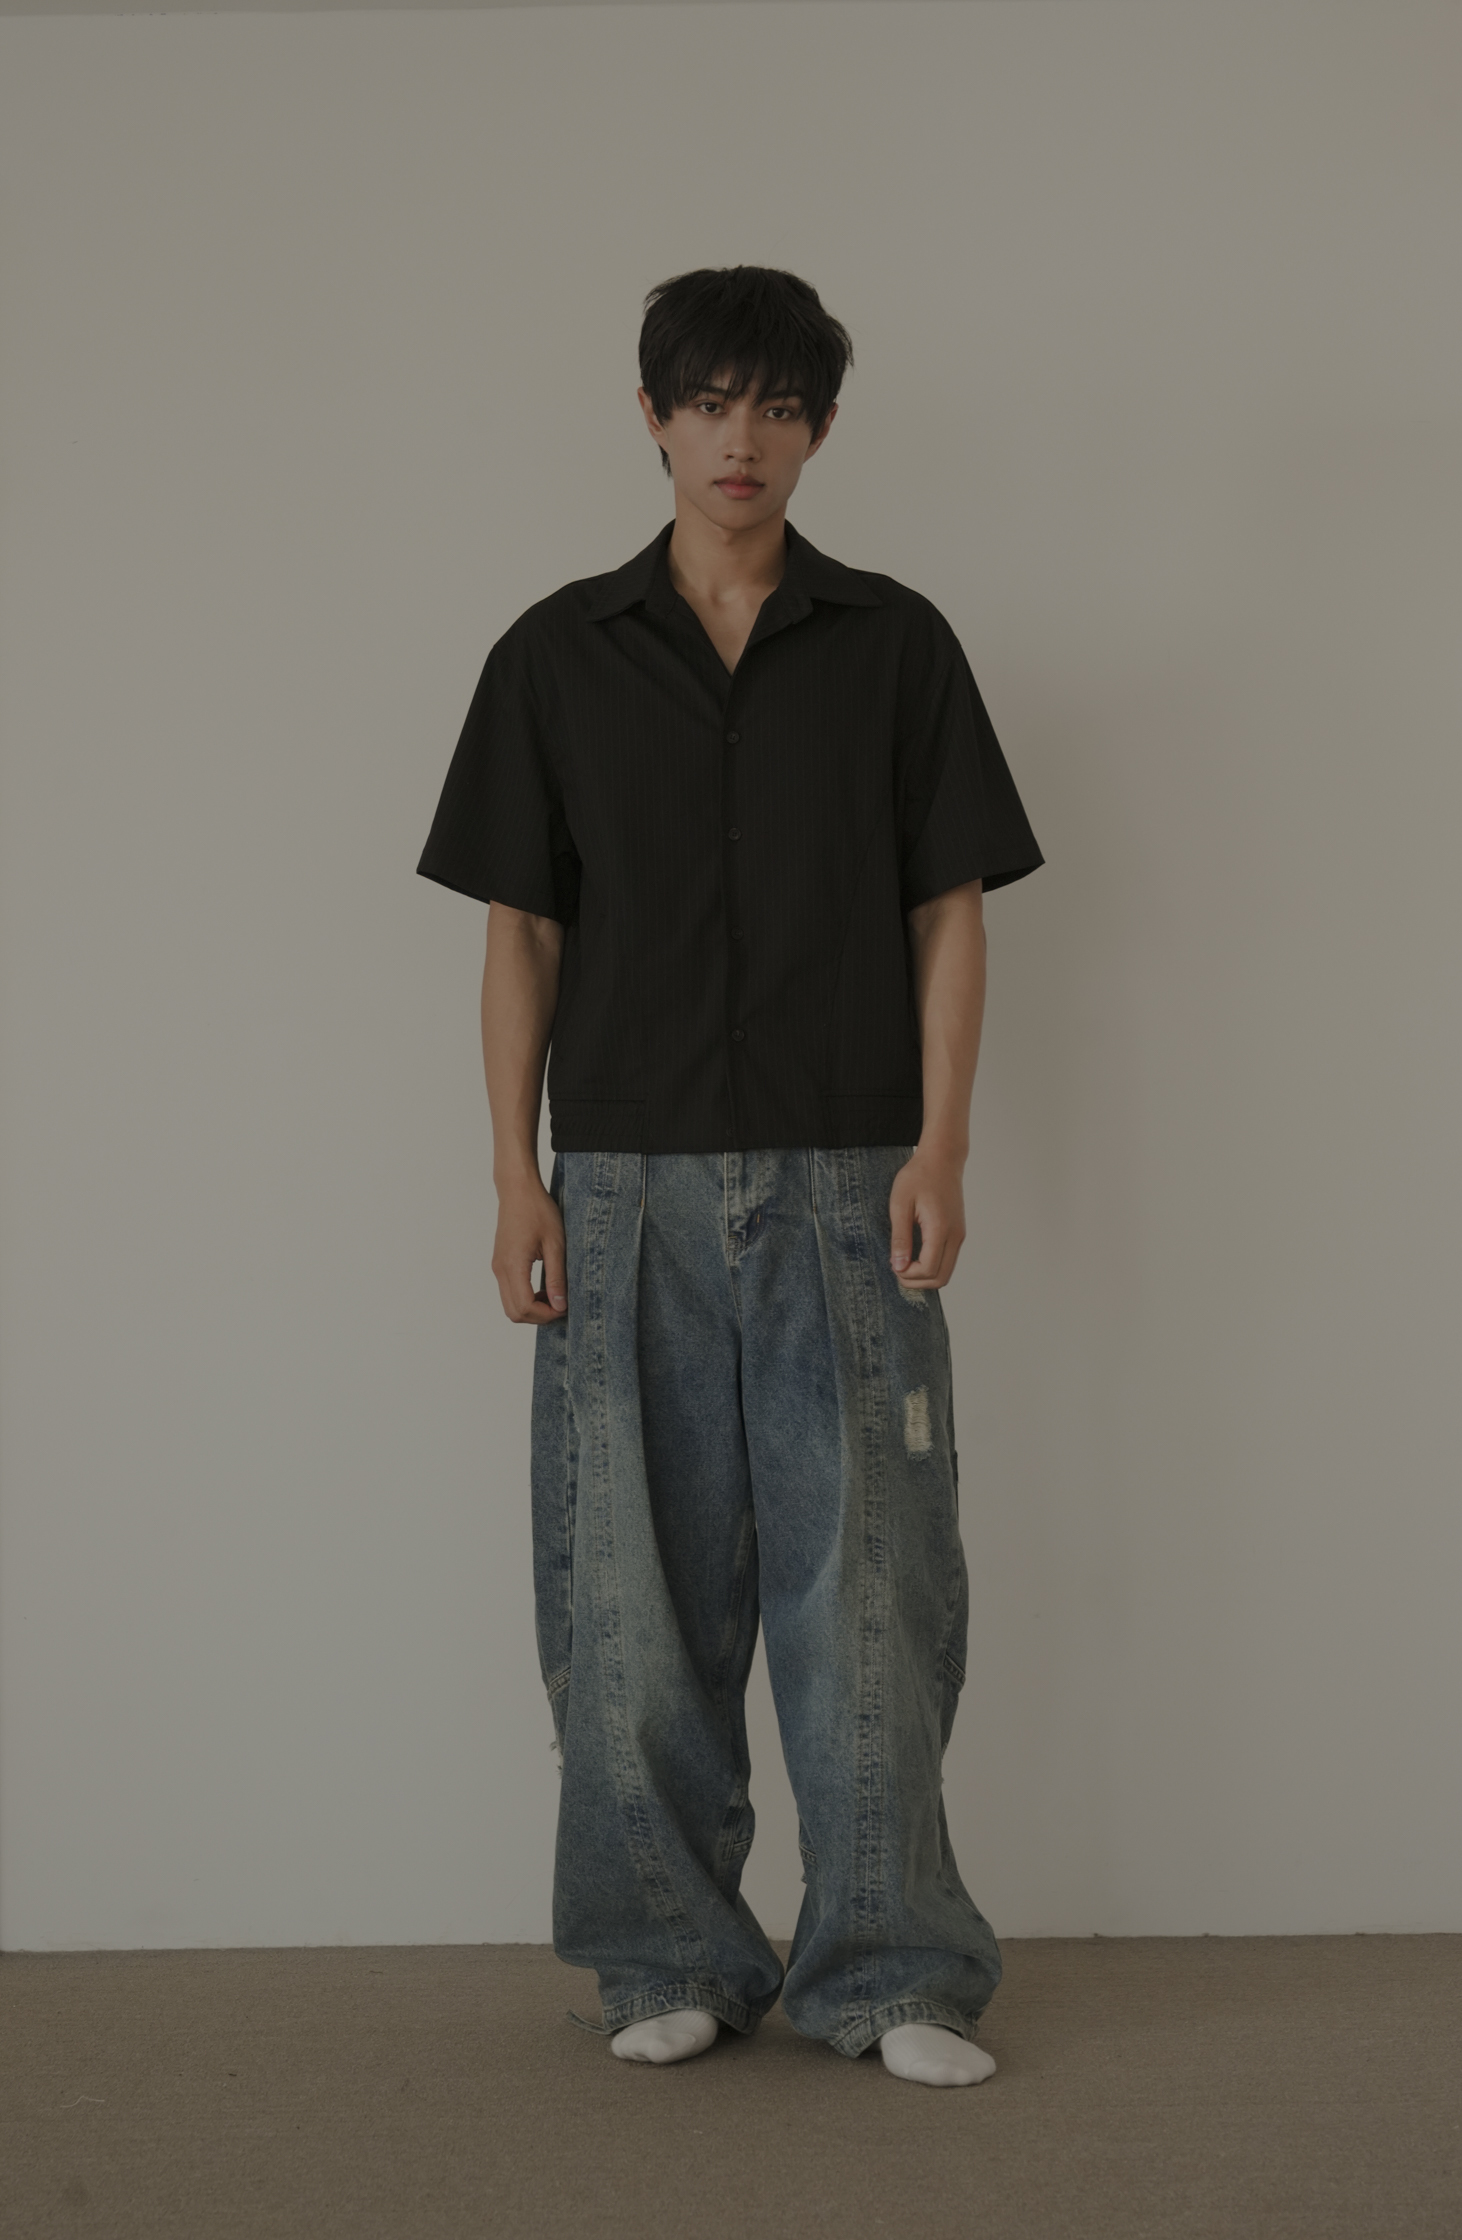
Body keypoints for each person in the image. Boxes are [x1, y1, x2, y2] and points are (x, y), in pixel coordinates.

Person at [417, 265, 1043, 2088]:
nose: (738, 439)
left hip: (852, 1176)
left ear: (819, 427)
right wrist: (515, 1178)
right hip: (622, 1185)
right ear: (652, 417)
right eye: (706, 403)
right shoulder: (555, 655)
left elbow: (947, 909)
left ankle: (891, 1972)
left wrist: (941, 1144)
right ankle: (664, 1955)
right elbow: (522, 932)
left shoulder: (896, 644)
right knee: (626, 1592)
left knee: (871, 1588)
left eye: (774, 405)